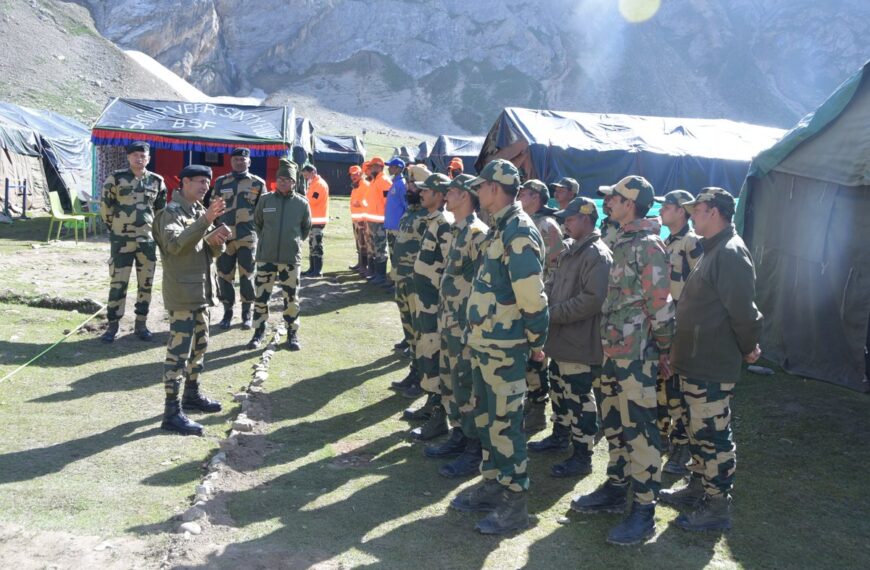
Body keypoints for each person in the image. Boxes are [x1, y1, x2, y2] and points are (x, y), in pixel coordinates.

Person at [571, 175, 674, 546]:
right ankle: (616, 487)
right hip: (614, 352)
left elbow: (660, 305)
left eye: (613, 198)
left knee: (641, 428)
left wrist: (666, 350)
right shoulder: (622, 239)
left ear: (629, 203)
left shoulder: (648, 246)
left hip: (636, 356)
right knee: (613, 422)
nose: (608, 203)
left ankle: (644, 509)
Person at [449, 159, 548, 535]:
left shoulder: (518, 231)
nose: (477, 193)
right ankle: (492, 484)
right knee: (489, 420)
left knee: (506, 426)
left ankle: (514, 504)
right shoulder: (500, 228)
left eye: (481, 187)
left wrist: (537, 341)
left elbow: (532, 297)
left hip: (506, 348)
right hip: (486, 343)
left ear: (494, 188)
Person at [662, 187, 763, 532]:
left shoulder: (731, 253)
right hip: (694, 361)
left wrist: (749, 347)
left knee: (713, 436)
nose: (692, 214)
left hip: (711, 364)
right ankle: (697, 488)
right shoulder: (712, 249)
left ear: (715, 212)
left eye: (698, 208)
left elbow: (744, 314)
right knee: (696, 431)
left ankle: (717, 507)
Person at [531, 197, 611, 477]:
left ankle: (582, 453)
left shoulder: (597, 255)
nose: (565, 222)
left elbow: (592, 300)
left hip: (578, 340)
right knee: (559, 389)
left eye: (571, 218)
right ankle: (560, 435)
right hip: (561, 338)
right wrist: (544, 307)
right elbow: (552, 282)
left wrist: (553, 313)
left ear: (587, 219)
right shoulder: (571, 250)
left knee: (579, 396)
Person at [152, 164, 229, 436]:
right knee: (178, 354)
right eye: (199, 182)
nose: (204, 187)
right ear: (183, 182)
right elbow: (174, 246)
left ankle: (191, 396)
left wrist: (217, 240)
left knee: (200, 347)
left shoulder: (197, 211)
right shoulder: (170, 213)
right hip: (182, 295)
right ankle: (171, 413)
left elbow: (205, 252)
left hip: (201, 293)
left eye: (207, 183)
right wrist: (206, 221)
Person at [424, 173, 488, 477]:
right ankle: (459, 435)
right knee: (451, 383)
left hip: (465, 325)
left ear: (464, 195)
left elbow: (482, 284)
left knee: (467, 386)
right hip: (448, 322)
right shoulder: (457, 230)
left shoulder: (477, 233)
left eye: (450, 192)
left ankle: (474, 449)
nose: (445, 196)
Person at [654, 189, 704, 475]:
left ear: (681, 211)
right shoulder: (665, 241)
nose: (662, 211)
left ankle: (681, 447)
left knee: (677, 390)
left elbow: (701, 283)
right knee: (662, 386)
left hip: (681, 325)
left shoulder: (691, 242)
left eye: (667, 207)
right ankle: (662, 438)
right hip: (662, 323)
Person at [99, 141, 166, 343]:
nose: (139, 159)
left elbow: (161, 212)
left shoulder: (157, 181)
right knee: (118, 282)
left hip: (147, 241)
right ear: (128, 157)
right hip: (121, 240)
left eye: (143, 156)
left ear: (148, 158)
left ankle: (141, 324)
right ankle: (112, 325)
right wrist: (117, 228)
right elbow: (105, 207)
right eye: (135, 155)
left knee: (145, 284)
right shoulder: (116, 178)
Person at [404, 173, 453, 441]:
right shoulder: (432, 220)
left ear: (440, 194)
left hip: (436, 305)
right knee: (426, 352)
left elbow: (450, 268)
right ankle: (431, 404)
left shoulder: (444, 224)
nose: (421, 193)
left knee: (434, 356)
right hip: (424, 304)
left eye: (427, 190)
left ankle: (438, 418)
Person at [247, 159, 312, 351]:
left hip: (290, 259)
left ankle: (292, 333)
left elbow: (305, 229)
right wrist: (268, 240)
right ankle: (258, 331)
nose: (283, 182)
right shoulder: (265, 200)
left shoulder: (301, 203)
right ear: (276, 181)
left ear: (294, 182)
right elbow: (258, 224)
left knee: (291, 299)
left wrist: (290, 243)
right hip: (266, 258)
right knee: (261, 297)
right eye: (280, 179)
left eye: (288, 179)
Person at [516, 179, 564, 433]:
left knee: (537, 359)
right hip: (522, 300)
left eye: (523, 192)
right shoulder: (522, 222)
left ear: (536, 197)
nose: (519, 195)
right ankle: (529, 403)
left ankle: (537, 409)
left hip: (539, 299)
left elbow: (558, 265)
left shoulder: (546, 225)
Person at [206, 147, 265, 330]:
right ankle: (227, 313)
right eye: (236, 159)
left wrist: (261, 235)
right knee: (224, 276)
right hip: (225, 237)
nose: (239, 162)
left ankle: (246, 314)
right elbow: (213, 207)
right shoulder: (221, 182)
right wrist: (213, 230)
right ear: (231, 162)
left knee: (247, 276)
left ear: (249, 162)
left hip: (248, 237)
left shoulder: (257, 183)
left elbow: (263, 212)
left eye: (243, 159)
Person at [390, 165, 431, 390]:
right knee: (410, 330)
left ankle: (422, 377)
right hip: (403, 281)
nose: (409, 187)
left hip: (418, 284)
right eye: (409, 183)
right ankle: (414, 371)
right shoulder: (411, 212)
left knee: (421, 332)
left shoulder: (430, 218)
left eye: (414, 184)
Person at [384, 157, 409, 290]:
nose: (389, 169)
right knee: (393, 254)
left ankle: (397, 283)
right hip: (391, 226)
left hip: (397, 227)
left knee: (398, 255)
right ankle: (393, 280)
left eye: (392, 167)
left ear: (398, 168)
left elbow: (406, 206)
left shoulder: (401, 184)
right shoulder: (394, 183)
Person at [365, 156, 391, 284]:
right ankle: (376, 273)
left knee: (380, 248)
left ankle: (381, 276)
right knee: (375, 247)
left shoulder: (384, 181)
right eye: (370, 166)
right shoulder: (374, 181)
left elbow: (387, 202)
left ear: (380, 167)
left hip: (380, 221)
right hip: (372, 220)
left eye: (373, 166)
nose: (371, 168)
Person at [301, 163, 329, 277]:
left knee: (316, 245)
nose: (305, 178)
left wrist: (301, 200)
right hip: (313, 219)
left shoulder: (319, 184)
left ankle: (317, 271)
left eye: (306, 175)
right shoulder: (313, 183)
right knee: (312, 245)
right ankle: (312, 269)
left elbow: (313, 200)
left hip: (318, 220)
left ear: (313, 172)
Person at [348, 165, 370, 272]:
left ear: (361, 174)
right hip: (356, 220)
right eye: (351, 175)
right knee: (359, 243)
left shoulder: (365, 185)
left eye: (355, 174)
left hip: (363, 220)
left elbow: (369, 201)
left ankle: (364, 266)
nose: (353, 176)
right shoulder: (355, 186)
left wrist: (360, 203)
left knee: (363, 243)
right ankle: (360, 263)